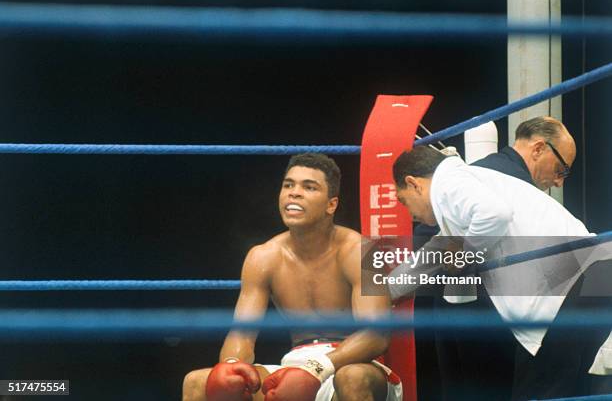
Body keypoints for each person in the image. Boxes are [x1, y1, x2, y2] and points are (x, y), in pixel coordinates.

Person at [389, 145, 609, 400]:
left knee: (539, 391)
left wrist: (466, 254)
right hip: (583, 278)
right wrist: (384, 289)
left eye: (404, 201)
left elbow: (495, 213)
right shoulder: (464, 192)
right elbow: (434, 254)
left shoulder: (448, 182)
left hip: (570, 282)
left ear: (414, 183)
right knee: (559, 389)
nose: (410, 213)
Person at [182, 153, 402, 401]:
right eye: (288, 185)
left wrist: (317, 368)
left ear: (331, 204)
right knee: (198, 382)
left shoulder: (364, 251)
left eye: (309, 187)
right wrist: (232, 366)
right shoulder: (262, 257)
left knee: (351, 378)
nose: (294, 193)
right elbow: (241, 335)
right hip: (295, 364)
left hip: (354, 364)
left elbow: (377, 335)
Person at [410, 116, 578, 400]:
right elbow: (427, 231)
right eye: (561, 169)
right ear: (538, 148)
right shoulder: (499, 179)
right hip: (481, 312)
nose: (559, 181)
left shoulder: (483, 175)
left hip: (462, 309)